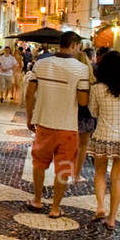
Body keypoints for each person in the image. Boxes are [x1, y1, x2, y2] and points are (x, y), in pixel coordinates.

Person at [24, 31, 91, 217]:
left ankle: (37, 200)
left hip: (44, 123)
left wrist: (30, 117)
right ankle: (55, 208)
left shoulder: (41, 63)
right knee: (63, 167)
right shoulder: (81, 69)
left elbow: (29, 94)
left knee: (39, 163)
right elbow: (83, 101)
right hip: (68, 126)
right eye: (78, 47)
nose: (79, 51)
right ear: (73, 45)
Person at [87, 51, 120, 229]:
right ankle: (112, 218)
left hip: (103, 136)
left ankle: (100, 206)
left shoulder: (97, 88)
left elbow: (93, 112)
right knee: (117, 179)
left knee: (100, 173)